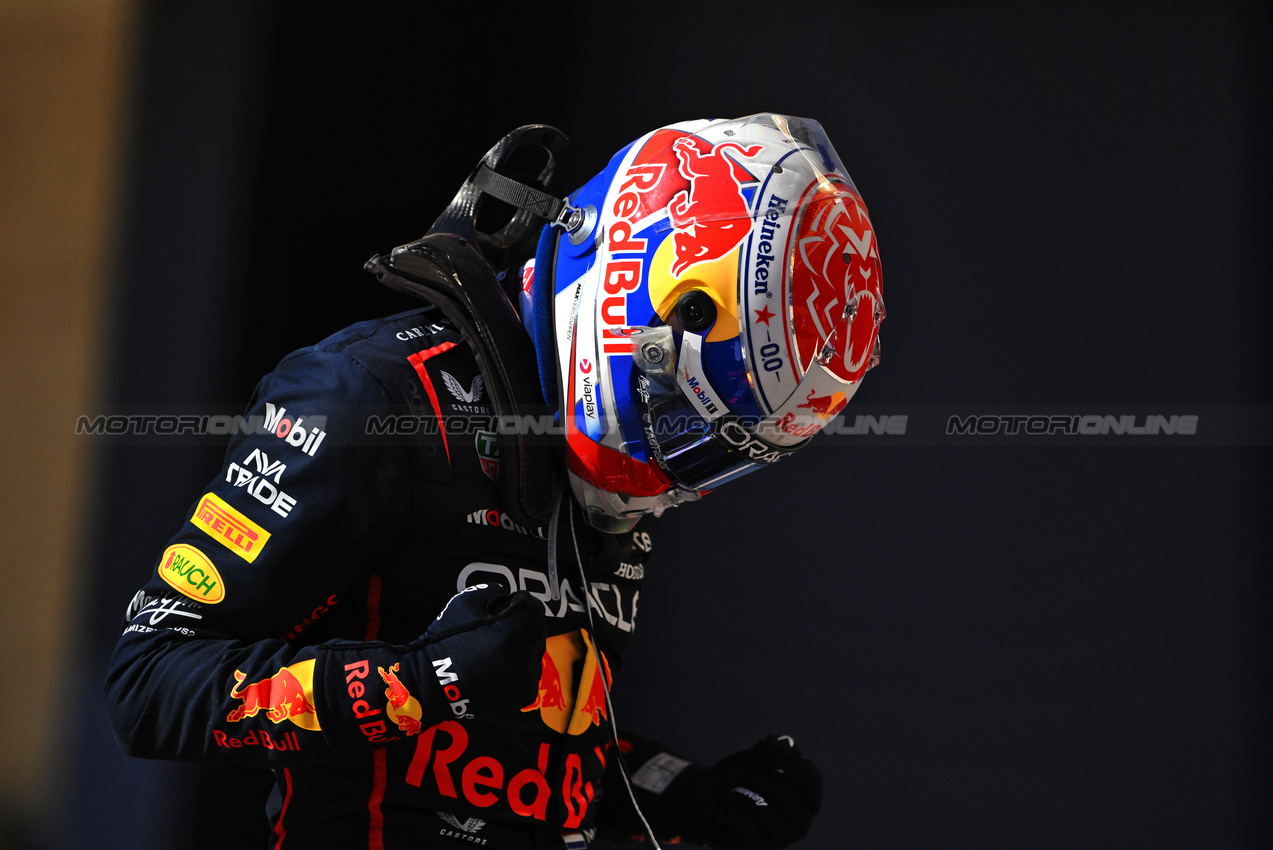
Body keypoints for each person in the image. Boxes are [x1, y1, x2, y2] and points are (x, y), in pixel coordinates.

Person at [105, 113, 884, 850]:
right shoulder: (372, 398)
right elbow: (150, 686)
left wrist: (683, 792)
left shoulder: (592, 462)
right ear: (623, 291)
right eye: (683, 408)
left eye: (720, 445)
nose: (679, 459)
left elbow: (528, 750)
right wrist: (417, 684)